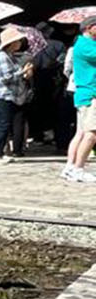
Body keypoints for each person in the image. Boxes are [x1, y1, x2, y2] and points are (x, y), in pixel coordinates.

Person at [0, 26, 35, 162]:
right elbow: (6, 77)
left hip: (9, 95)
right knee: (3, 125)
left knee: (5, 125)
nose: (20, 43)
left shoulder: (10, 57)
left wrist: (25, 73)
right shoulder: (2, 57)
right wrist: (23, 71)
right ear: (11, 43)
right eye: (18, 41)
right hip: (1, 95)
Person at [61, 15, 96, 181]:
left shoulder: (80, 44)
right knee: (91, 134)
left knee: (80, 133)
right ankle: (78, 169)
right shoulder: (86, 45)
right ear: (89, 28)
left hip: (84, 93)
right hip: (91, 94)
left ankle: (69, 166)